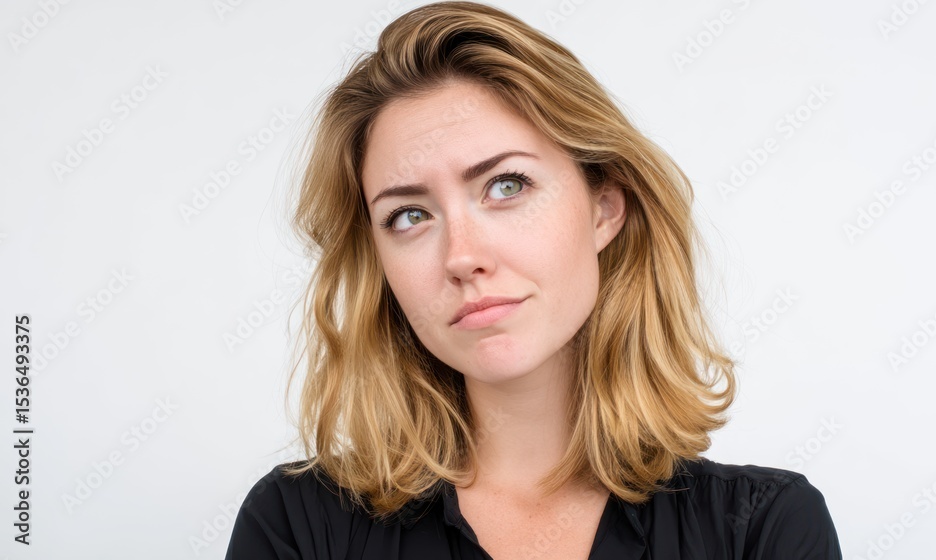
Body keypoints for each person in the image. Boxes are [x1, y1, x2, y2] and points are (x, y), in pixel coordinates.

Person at [225, 1, 842, 558]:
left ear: (603, 209)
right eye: (409, 215)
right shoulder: (298, 526)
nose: (462, 256)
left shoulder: (760, 530)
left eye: (506, 185)